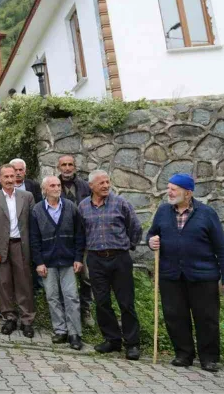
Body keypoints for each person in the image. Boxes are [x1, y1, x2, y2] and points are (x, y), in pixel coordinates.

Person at [147, 173, 224, 372]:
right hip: (171, 275)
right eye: (168, 187)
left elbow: (221, 247)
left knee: (206, 318)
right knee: (175, 316)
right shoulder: (163, 211)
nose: (168, 192)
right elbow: (153, 233)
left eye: (173, 189)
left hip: (203, 276)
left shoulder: (207, 213)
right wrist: (151, 241)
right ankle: (183, 354)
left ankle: (209, 358)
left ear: (188, 193)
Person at [78, 170, 142, 360]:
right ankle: (112, 340)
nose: (106, 185)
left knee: (126, 302)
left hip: (120, 258)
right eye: (101, 183)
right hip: (96, 259)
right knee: (102, 301)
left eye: (107, 182)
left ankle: (132, 344)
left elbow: (135, 227)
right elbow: (81, 233)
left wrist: (128, 246)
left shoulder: (121, 203)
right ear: (91, 186)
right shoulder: (83, 207)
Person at [29, 176, 85, 350]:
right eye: (52, 185)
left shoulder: (71, 207)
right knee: (52, 296)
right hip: (48, 262)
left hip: (68, 260)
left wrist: (78, 258)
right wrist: (38, 262)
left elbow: (79, 235)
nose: (57, 188)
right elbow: (34, 239)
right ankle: (60, 330)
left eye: (58, 185)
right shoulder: (37, 210)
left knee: (71, 296)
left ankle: (75, 333)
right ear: (44, 189)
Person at [0, 163, 36, 337]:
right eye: (5, 177)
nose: (9, 180)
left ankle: (27, 320)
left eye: (12, 176)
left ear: (16, 177)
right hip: (1, 247)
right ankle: (10, 318)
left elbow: (33, 225)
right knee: (4, 284)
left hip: (21, 246)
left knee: (24, 284)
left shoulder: (27, 196)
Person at [57, 154, 94, 327]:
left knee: (86, 277)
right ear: (59, 168)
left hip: (84, 239)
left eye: (70, 164)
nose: (67, 168)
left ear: (75, 167)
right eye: (63, 165)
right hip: (62, 241)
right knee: (64, 278)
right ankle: (66, 312)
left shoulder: (85, 186)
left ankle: (86, 310)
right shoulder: (52, 185)